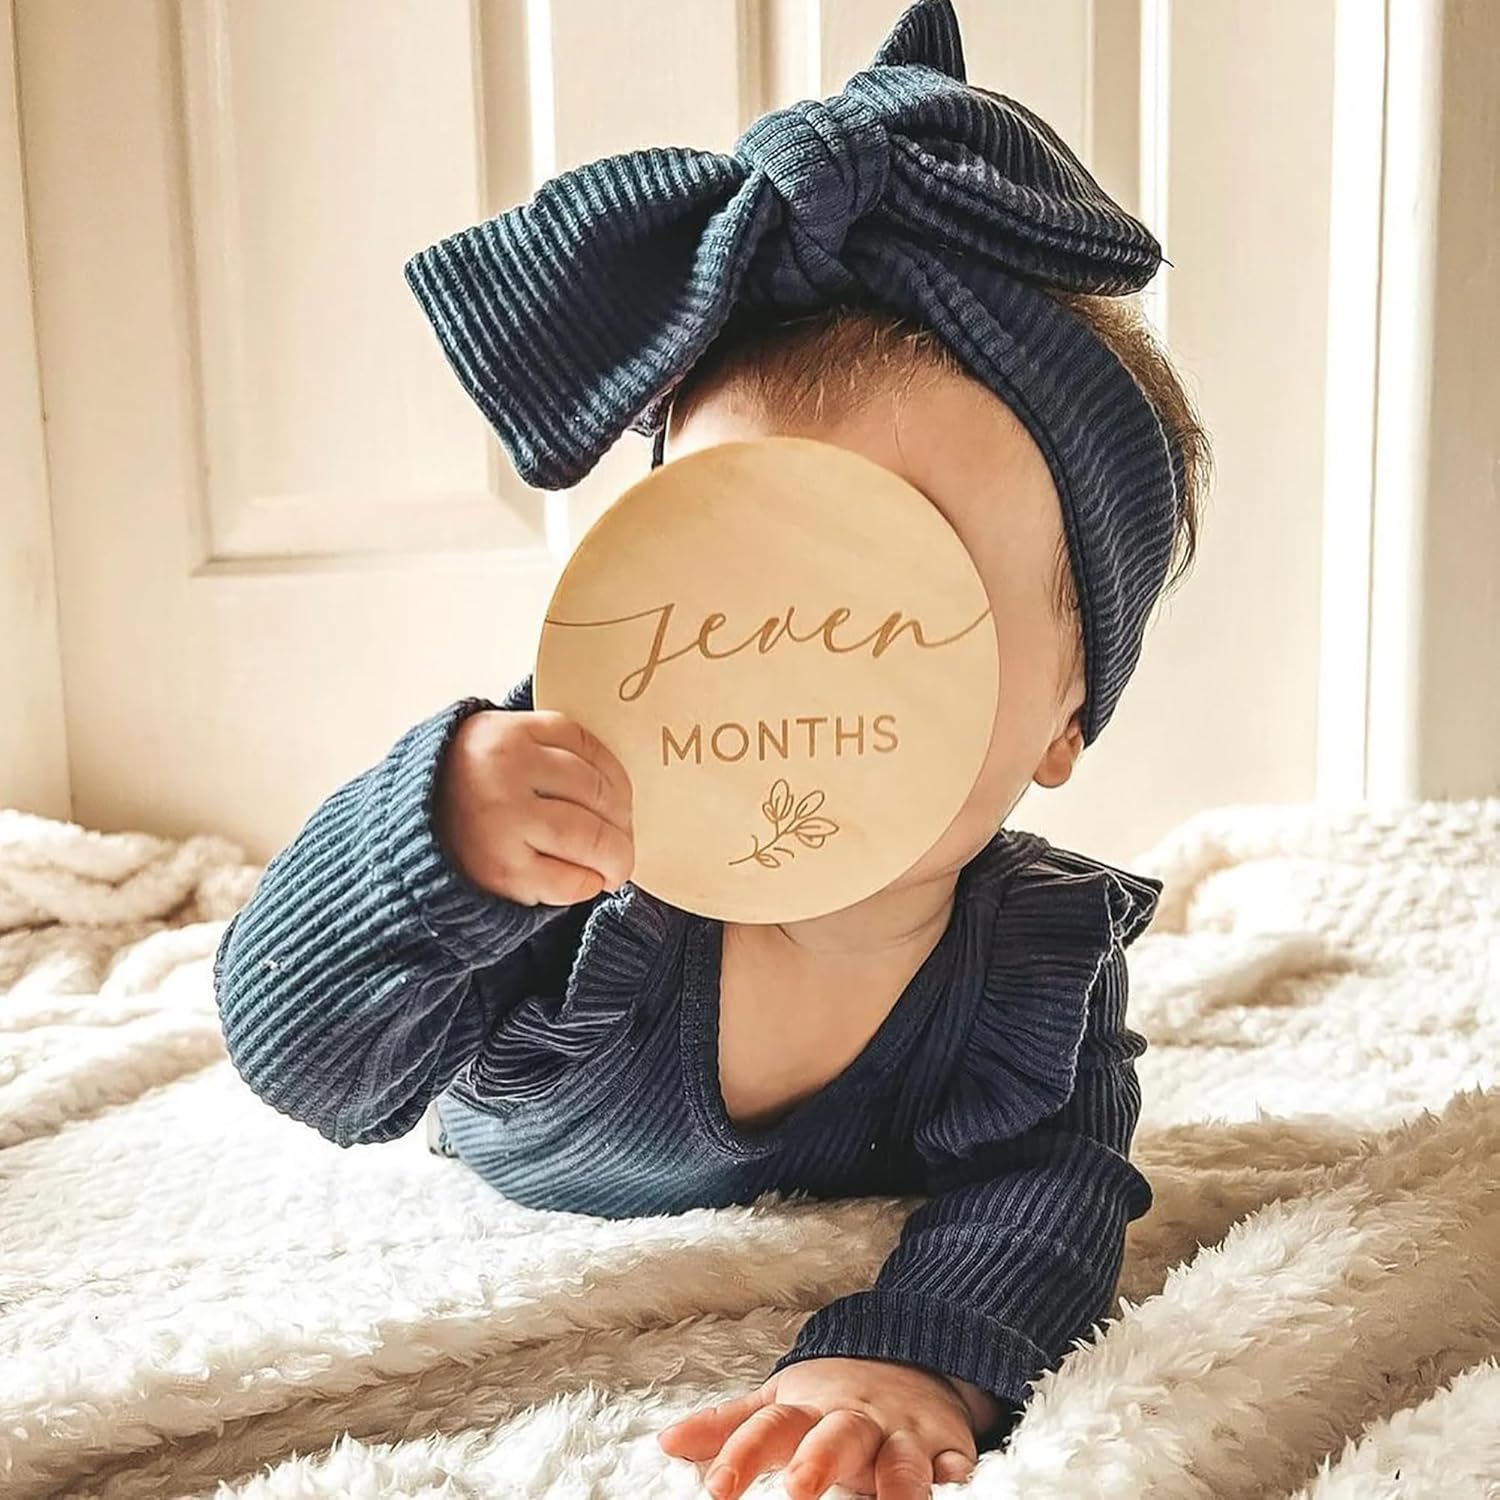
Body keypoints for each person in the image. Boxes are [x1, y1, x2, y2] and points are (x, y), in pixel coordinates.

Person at [212, 3, 1209, 1496]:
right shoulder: (564, 842)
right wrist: (430, 847)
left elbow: (1053, 1186)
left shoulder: (1035, 961)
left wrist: (912, 1348)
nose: (791, 652)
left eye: (900, 602)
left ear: (1067, 715)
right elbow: (304, 1056)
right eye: (731, 587)